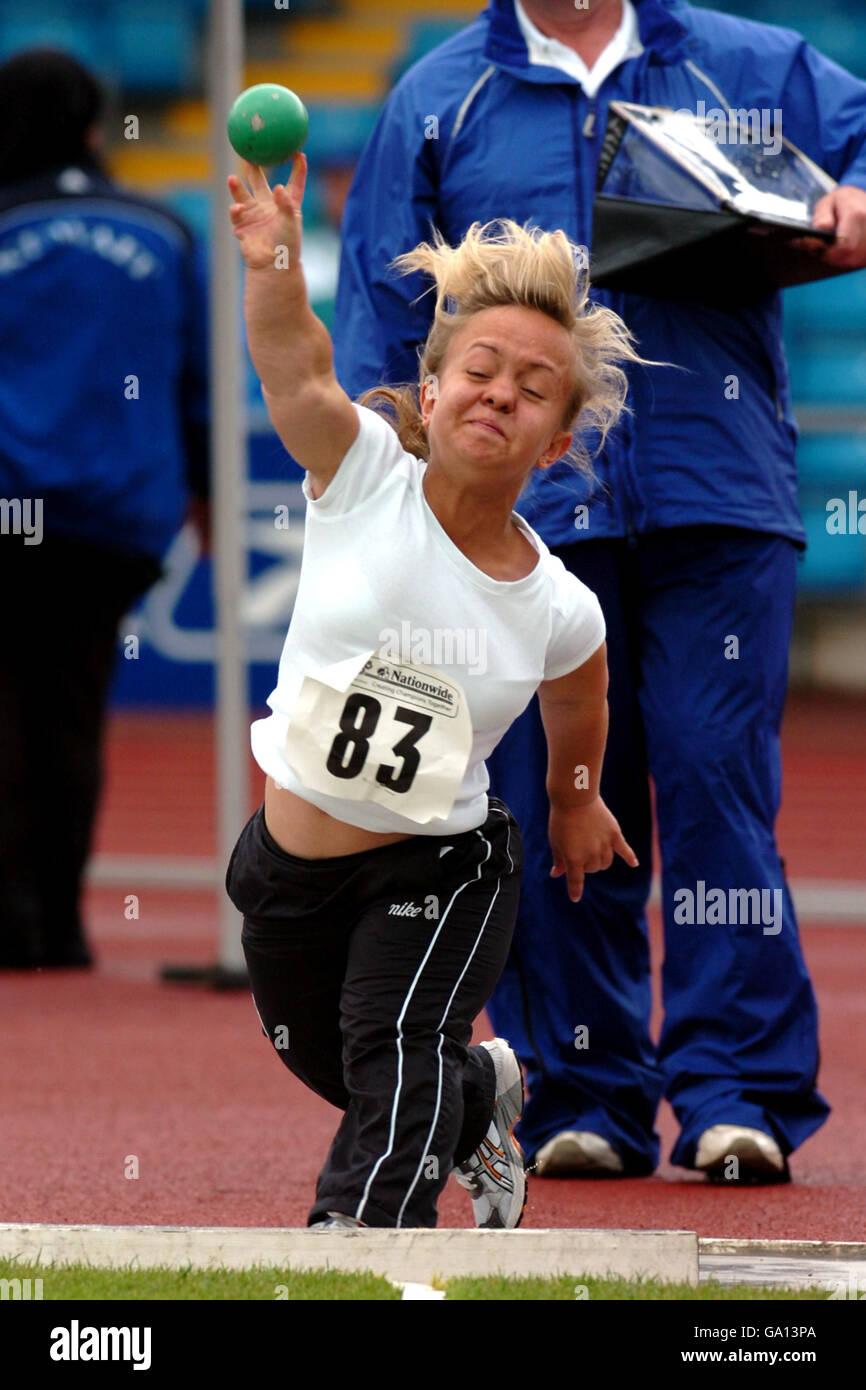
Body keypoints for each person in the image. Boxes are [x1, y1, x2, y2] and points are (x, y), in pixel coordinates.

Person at [331, 0, 866, 1183]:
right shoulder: (439, 90)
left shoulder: (748, 64)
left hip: (715, 492)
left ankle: (737, 1093)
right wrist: (392, 498)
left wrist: (852, 202)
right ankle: (582, 1090)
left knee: (715, 783)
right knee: (551, 801)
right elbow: (378, 301)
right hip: (526, 516)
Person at [223, 150, 643, 1228]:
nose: (499, 391)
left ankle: (357, 1241)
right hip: (288, 867)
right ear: (430, 387)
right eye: (481, 368)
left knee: (391, 1044)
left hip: (443, 864)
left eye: (532, 387)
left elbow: (580, 694)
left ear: (553, 443)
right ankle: (479, 1093)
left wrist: (573, 796)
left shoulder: (558, 603)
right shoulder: (362, 474)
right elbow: (291, 365)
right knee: (349, 1064)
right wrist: (273, 250)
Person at [0, 49, 210, 970]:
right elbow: (196, 383)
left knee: (5, 707)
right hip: (119, 516)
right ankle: (64, 924)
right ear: (94, 126)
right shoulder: (165, 230)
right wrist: (206, 494)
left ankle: (12, 922)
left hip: (9, 510)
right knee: (74, 710)